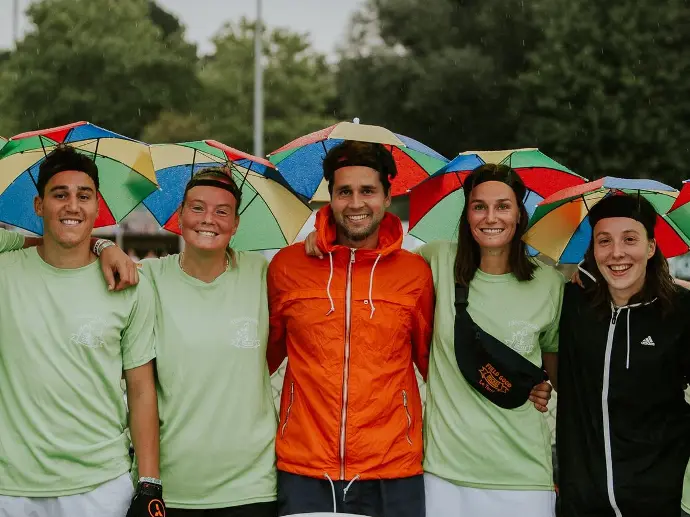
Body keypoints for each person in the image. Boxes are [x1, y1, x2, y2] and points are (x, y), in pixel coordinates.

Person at [1, 166, 279, 516]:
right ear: (179, 216)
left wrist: (100, 244)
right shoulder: (147, 279)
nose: (208, 219)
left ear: (236, 224)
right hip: (168, 485)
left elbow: (288, 337)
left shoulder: (265, 275)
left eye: (222, 211)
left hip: (248, 486)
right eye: (197, 207)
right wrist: (102, 245)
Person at [267, 140, 435, 517]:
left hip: (393, 467)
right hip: (305, 468)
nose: (356, 203)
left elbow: (434, 363)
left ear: (388, 196)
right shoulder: (287, 267)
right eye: (344, 192)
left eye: (367, 191)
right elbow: (259, 357)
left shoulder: (415, 273)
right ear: (330, 197)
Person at [0, 146, 162, 517]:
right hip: (11, 487)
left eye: (83, 196)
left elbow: (140, 390)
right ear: (39, 205)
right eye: (60, 195)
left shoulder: (128, 284)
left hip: (100, 486)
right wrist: (102, 244)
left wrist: (150, 483)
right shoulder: (5, 272)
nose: (72, 205)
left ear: (96, 207)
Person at [413, 164, 561, 517]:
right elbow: (377, 262)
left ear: (519, 214)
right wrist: (322, 237)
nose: (490, 217)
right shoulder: (437, 259)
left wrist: (538, 384)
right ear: (466, 215)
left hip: (523, 476)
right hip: (445, 475)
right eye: (479, 206)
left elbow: (557, 375)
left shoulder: (551, 284)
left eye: (503, 206)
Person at [557, 194, 690, 517]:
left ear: (650, 247)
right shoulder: (571, 304)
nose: (616, 252)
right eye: (604, 241)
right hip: (583, 503)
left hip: (660, 502)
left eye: (630, 239)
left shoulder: (681, 312)